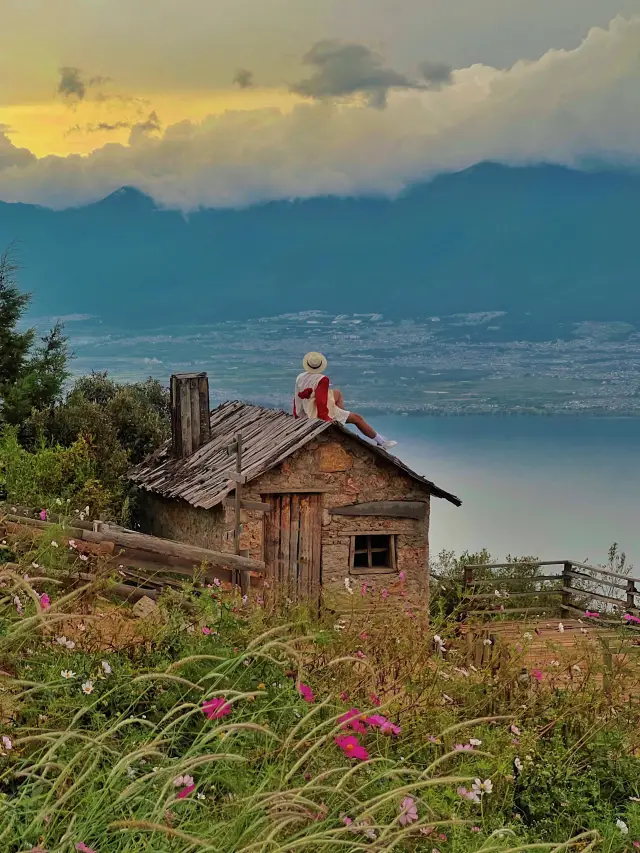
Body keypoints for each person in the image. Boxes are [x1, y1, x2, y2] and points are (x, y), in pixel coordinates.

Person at [293, 352, 397, 451]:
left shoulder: (300, 377)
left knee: (337, 393)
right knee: (357, 418)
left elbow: (296, 397)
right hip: (317, 411)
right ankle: (381, 441)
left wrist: (297, 413)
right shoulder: (322, 379)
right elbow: (321, 401)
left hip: (307, 407)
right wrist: (326, 418)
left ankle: (341, 417)